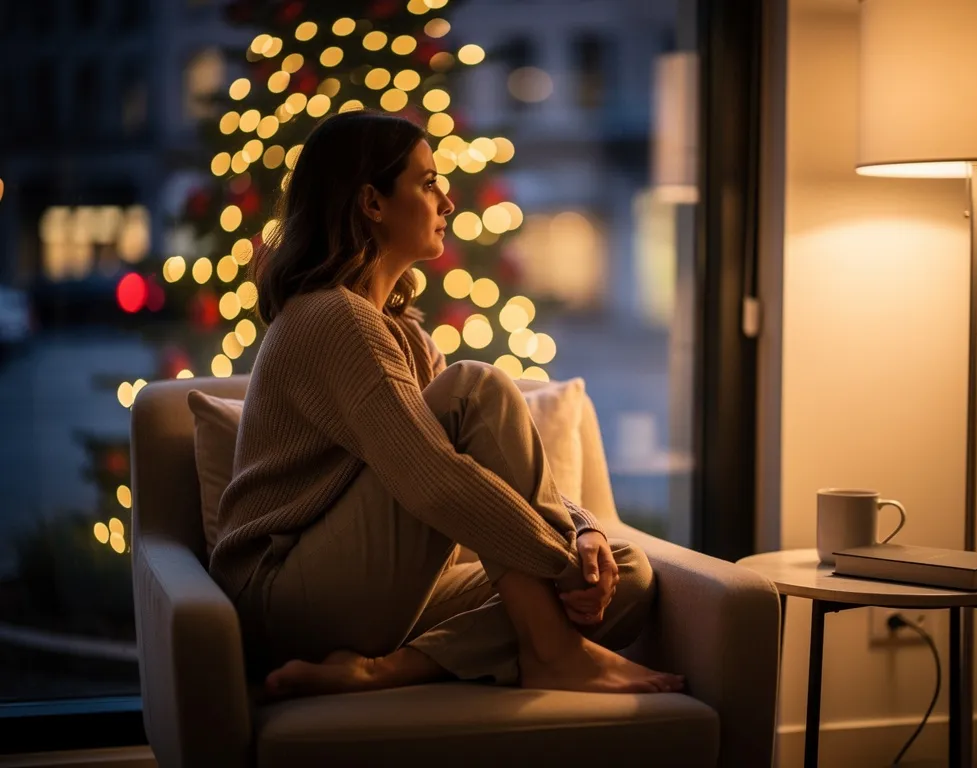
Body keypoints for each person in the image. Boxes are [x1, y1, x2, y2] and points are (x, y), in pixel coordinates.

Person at [208, 109, 685, 700]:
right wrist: (561, 562)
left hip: (370, 594)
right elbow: (433, 481)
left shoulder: (405, 334)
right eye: (428, 182)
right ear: (372, 202)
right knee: (477, 388)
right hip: (282, 599)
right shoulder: (330, 317)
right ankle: (554, 655)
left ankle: (384, 670)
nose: (448, 202)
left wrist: (582, 532)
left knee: (623, 574)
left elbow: (479, 472)